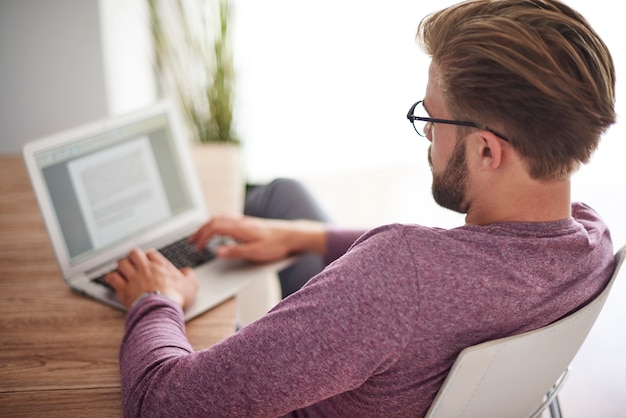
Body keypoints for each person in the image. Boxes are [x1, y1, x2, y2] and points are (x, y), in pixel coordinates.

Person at [105, 0, 617, 416]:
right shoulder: (593, 244)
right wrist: (306, 238)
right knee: (281, 198)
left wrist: (156, 298)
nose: (429, 137)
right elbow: (440, 274)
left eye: (433, 119)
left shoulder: (397, 274)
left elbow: (161, 403)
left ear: (486, 150)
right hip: (393, 348)